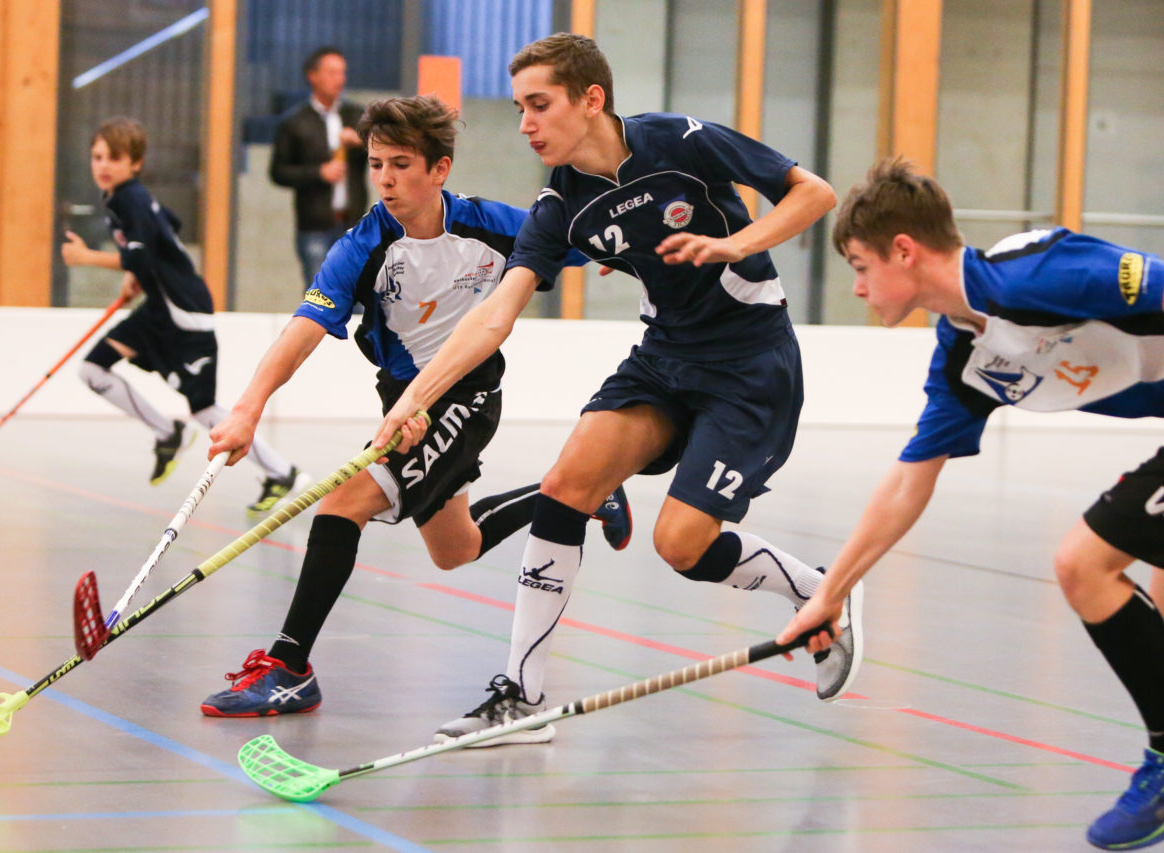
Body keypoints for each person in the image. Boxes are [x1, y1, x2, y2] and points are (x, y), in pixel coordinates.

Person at [373, 33, 862, 748]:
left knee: (682, 545)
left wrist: (735, 244)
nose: (525, 124)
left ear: (591, 99)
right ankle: (523, 694)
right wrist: (415, 396)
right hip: (663, 360)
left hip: (749, 364)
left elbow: (813, 192)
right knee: (567, 481)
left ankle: (821, 591)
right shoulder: (558, 207)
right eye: (519, 108)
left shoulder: (681, 141)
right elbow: (495, 314)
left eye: (539, 105)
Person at [776, 157, 1164, 850]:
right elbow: (910, 480)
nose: (858, 286)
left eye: (861, 265)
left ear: (905, 249)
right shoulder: (962, 355)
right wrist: (831, 592)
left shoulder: (1033, 271)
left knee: (1083, 563)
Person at [197, 95, 630, 717]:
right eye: (376, 164)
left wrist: (617, 252)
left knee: (341, 504)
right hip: (400, 398)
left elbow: (587, 237)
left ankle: (290, 667)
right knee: (455, 548)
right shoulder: (363, 245)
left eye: (401, 164)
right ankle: (582, 491)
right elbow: (303, 327)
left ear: (440, 169)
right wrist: (248, 409)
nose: (386, 179)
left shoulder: (494, 223)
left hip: (469, 390)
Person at [61, 117, 309, 514]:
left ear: (136, 163)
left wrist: (90, 258)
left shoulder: (130, 199)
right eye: (97, 157)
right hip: (158, 310)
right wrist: (136, 276)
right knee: (94, 369)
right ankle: (166, 431)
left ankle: (284, 474)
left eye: (114, 158)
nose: (103, 165)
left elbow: (144, 252)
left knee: (204, 408)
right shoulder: (121, 199)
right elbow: (167, 230)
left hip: (184, 314)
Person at [270, 46, 369, 290]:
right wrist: (318, 173)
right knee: (319, 296)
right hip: (314, 224)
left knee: (358, 294)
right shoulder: (294, 121)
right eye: (332, 72)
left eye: (342, 73)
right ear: (313, 76)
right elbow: (278, 171)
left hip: (354, 223)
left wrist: (363, 142)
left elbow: (384, 158)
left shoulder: (357, 115)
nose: (340, 79)